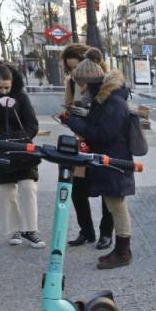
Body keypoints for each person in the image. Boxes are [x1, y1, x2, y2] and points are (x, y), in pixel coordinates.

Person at [66, 59, 136, 269]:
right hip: (110, 158)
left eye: (83, 84)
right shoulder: (104, 99)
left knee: (116, 205)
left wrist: (74, 122)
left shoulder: (113, 102)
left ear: (92, 82)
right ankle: (121, 250)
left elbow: (104, 133)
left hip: (114, 160)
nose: (80, 88)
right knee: (113, 204)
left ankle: (123, 252)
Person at [0, 62, 45, 248]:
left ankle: (31, 230)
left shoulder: (20, 96)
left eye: (7, 87)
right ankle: (14, 229)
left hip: (21, 149)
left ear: (13, 83)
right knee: (5, 191)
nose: (4, 91)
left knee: (28, 187)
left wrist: (21, 137)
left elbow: (32, 125)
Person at [60, 44, 114, 250]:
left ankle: (106, 233)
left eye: (76, 67)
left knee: (107, 188)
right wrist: (68, 116)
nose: (74, 73)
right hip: (81, 141)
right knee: (77, 190)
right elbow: (68, 106)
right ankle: (86, 231)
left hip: (102, 142)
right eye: (70, 69)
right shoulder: (72, 82)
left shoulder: (104, 82)